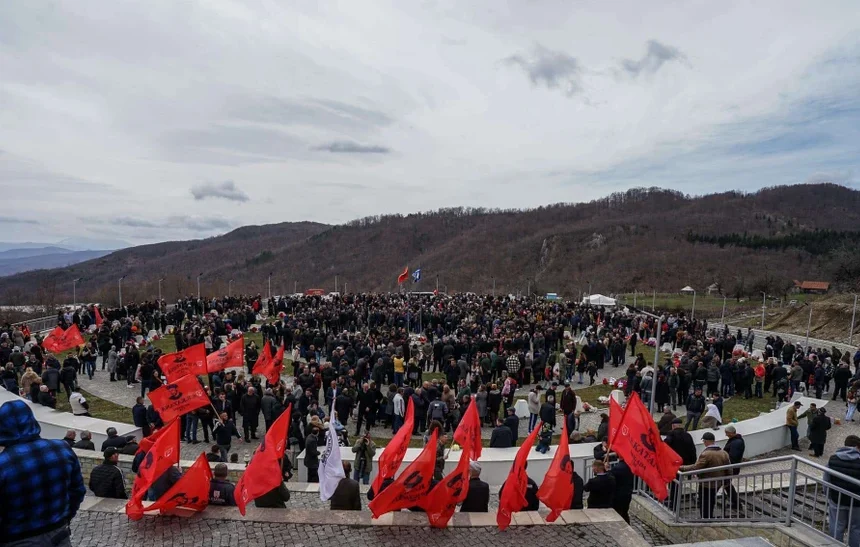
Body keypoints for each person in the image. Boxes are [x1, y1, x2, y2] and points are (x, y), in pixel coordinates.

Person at [0, 400, 85, 547]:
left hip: (18, 540)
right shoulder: (62, 449)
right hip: (59, 534)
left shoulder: (4, 463)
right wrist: (62, 519)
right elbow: (77, 491)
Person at [679, 432, 731, 519]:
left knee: (704, 501)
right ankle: (709, 516)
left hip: (706, 483)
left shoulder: (706, 454)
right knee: (711, 500)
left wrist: (682, 468)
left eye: (704, 441)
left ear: (706, 441)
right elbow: (729, 469)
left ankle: (705, 517)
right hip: (718, 482)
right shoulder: (724, 453)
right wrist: (727, 481)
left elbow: (696, 467)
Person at [825, 435, 860, 546]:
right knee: (855, 528)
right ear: (858, 447)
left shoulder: (833, 459)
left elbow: (826, 480)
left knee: (836, 525)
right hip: (856, 502)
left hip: (837, 499)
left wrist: (828, 496)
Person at [723, 425, 745, 510]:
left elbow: (732, 457)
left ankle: (736, 504)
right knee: (727, 485)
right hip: (731, 468)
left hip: (730, 468)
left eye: (727, 433)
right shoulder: (735, 441)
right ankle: (736, 504)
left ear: (732, 433)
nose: (726, 435)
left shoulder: (736, 442)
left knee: (726, 484)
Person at [610, 456, 635, 523]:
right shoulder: (630, 467)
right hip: (627, 494)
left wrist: (606, 470)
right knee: (625, 513)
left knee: (618, 513)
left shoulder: (617, 468)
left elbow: (610, 479)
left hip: (618, 496)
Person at [304, 418, 321, 483]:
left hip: (308, 460)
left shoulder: (309, 437)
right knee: (313, 474)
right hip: (312, 461)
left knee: (310, 473)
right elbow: (313, 452)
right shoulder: (313, 440)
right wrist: (318, 453)